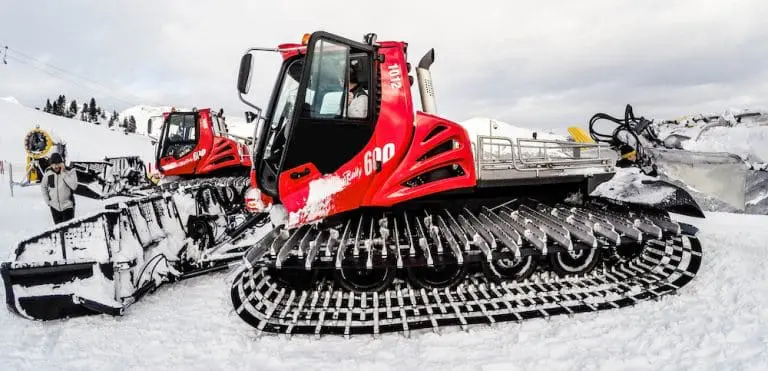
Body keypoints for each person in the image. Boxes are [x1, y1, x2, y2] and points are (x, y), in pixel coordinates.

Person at [40, 153, 78, 224]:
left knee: (68, 229)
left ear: (61, 163)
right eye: (53, 164)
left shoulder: (70, 171)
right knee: (58, 229)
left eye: (57, 164)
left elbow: (74, 186)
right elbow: (43, 186)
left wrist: (63, 173)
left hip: (68, 207)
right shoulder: (48, 173)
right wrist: (48, 201)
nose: (55, 166)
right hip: (54, 207)